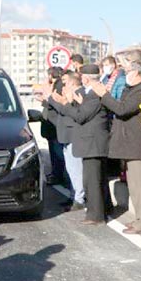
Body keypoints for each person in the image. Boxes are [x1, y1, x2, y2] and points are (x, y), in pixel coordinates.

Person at [90, 60, 141, 233]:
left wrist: (104, 94)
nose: (125, 75)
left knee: (140, 187)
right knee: (134, 186)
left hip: (136, 144)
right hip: (129, 144)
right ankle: (139, 220)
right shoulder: (132, 89)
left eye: (127, 71)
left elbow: (122, 109)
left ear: (137, 73)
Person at [50, 64, 110, 225]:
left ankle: (96, 216)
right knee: (91, 180)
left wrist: (67, 103)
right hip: (89, 143)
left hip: (94, 143)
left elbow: (81, 116)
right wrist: (72, 102)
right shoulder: (89, 94)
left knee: (93, 181)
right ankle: (97, 212)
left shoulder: (95, 94)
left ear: (86, 78)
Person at [46, 71, 85, 210]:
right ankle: (74, 195)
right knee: (71, 168)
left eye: (65, 82)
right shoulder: (70, 94)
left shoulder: (79, 93)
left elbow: (67, 111)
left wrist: (52, 99)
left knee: (76, 169)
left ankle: (79, 198)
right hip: (66, 135)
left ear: (72, 82)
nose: (63, 85)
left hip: (72, 135)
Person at [40, 67, 66, 186]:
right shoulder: (56, 84)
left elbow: (56, 105)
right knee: (54, 152)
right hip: (51, 126)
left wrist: (46, 100)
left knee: (58, 154)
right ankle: (56, 174)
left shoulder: (58, 86)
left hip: (55, 125)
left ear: (51, 75)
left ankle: (59, 176)